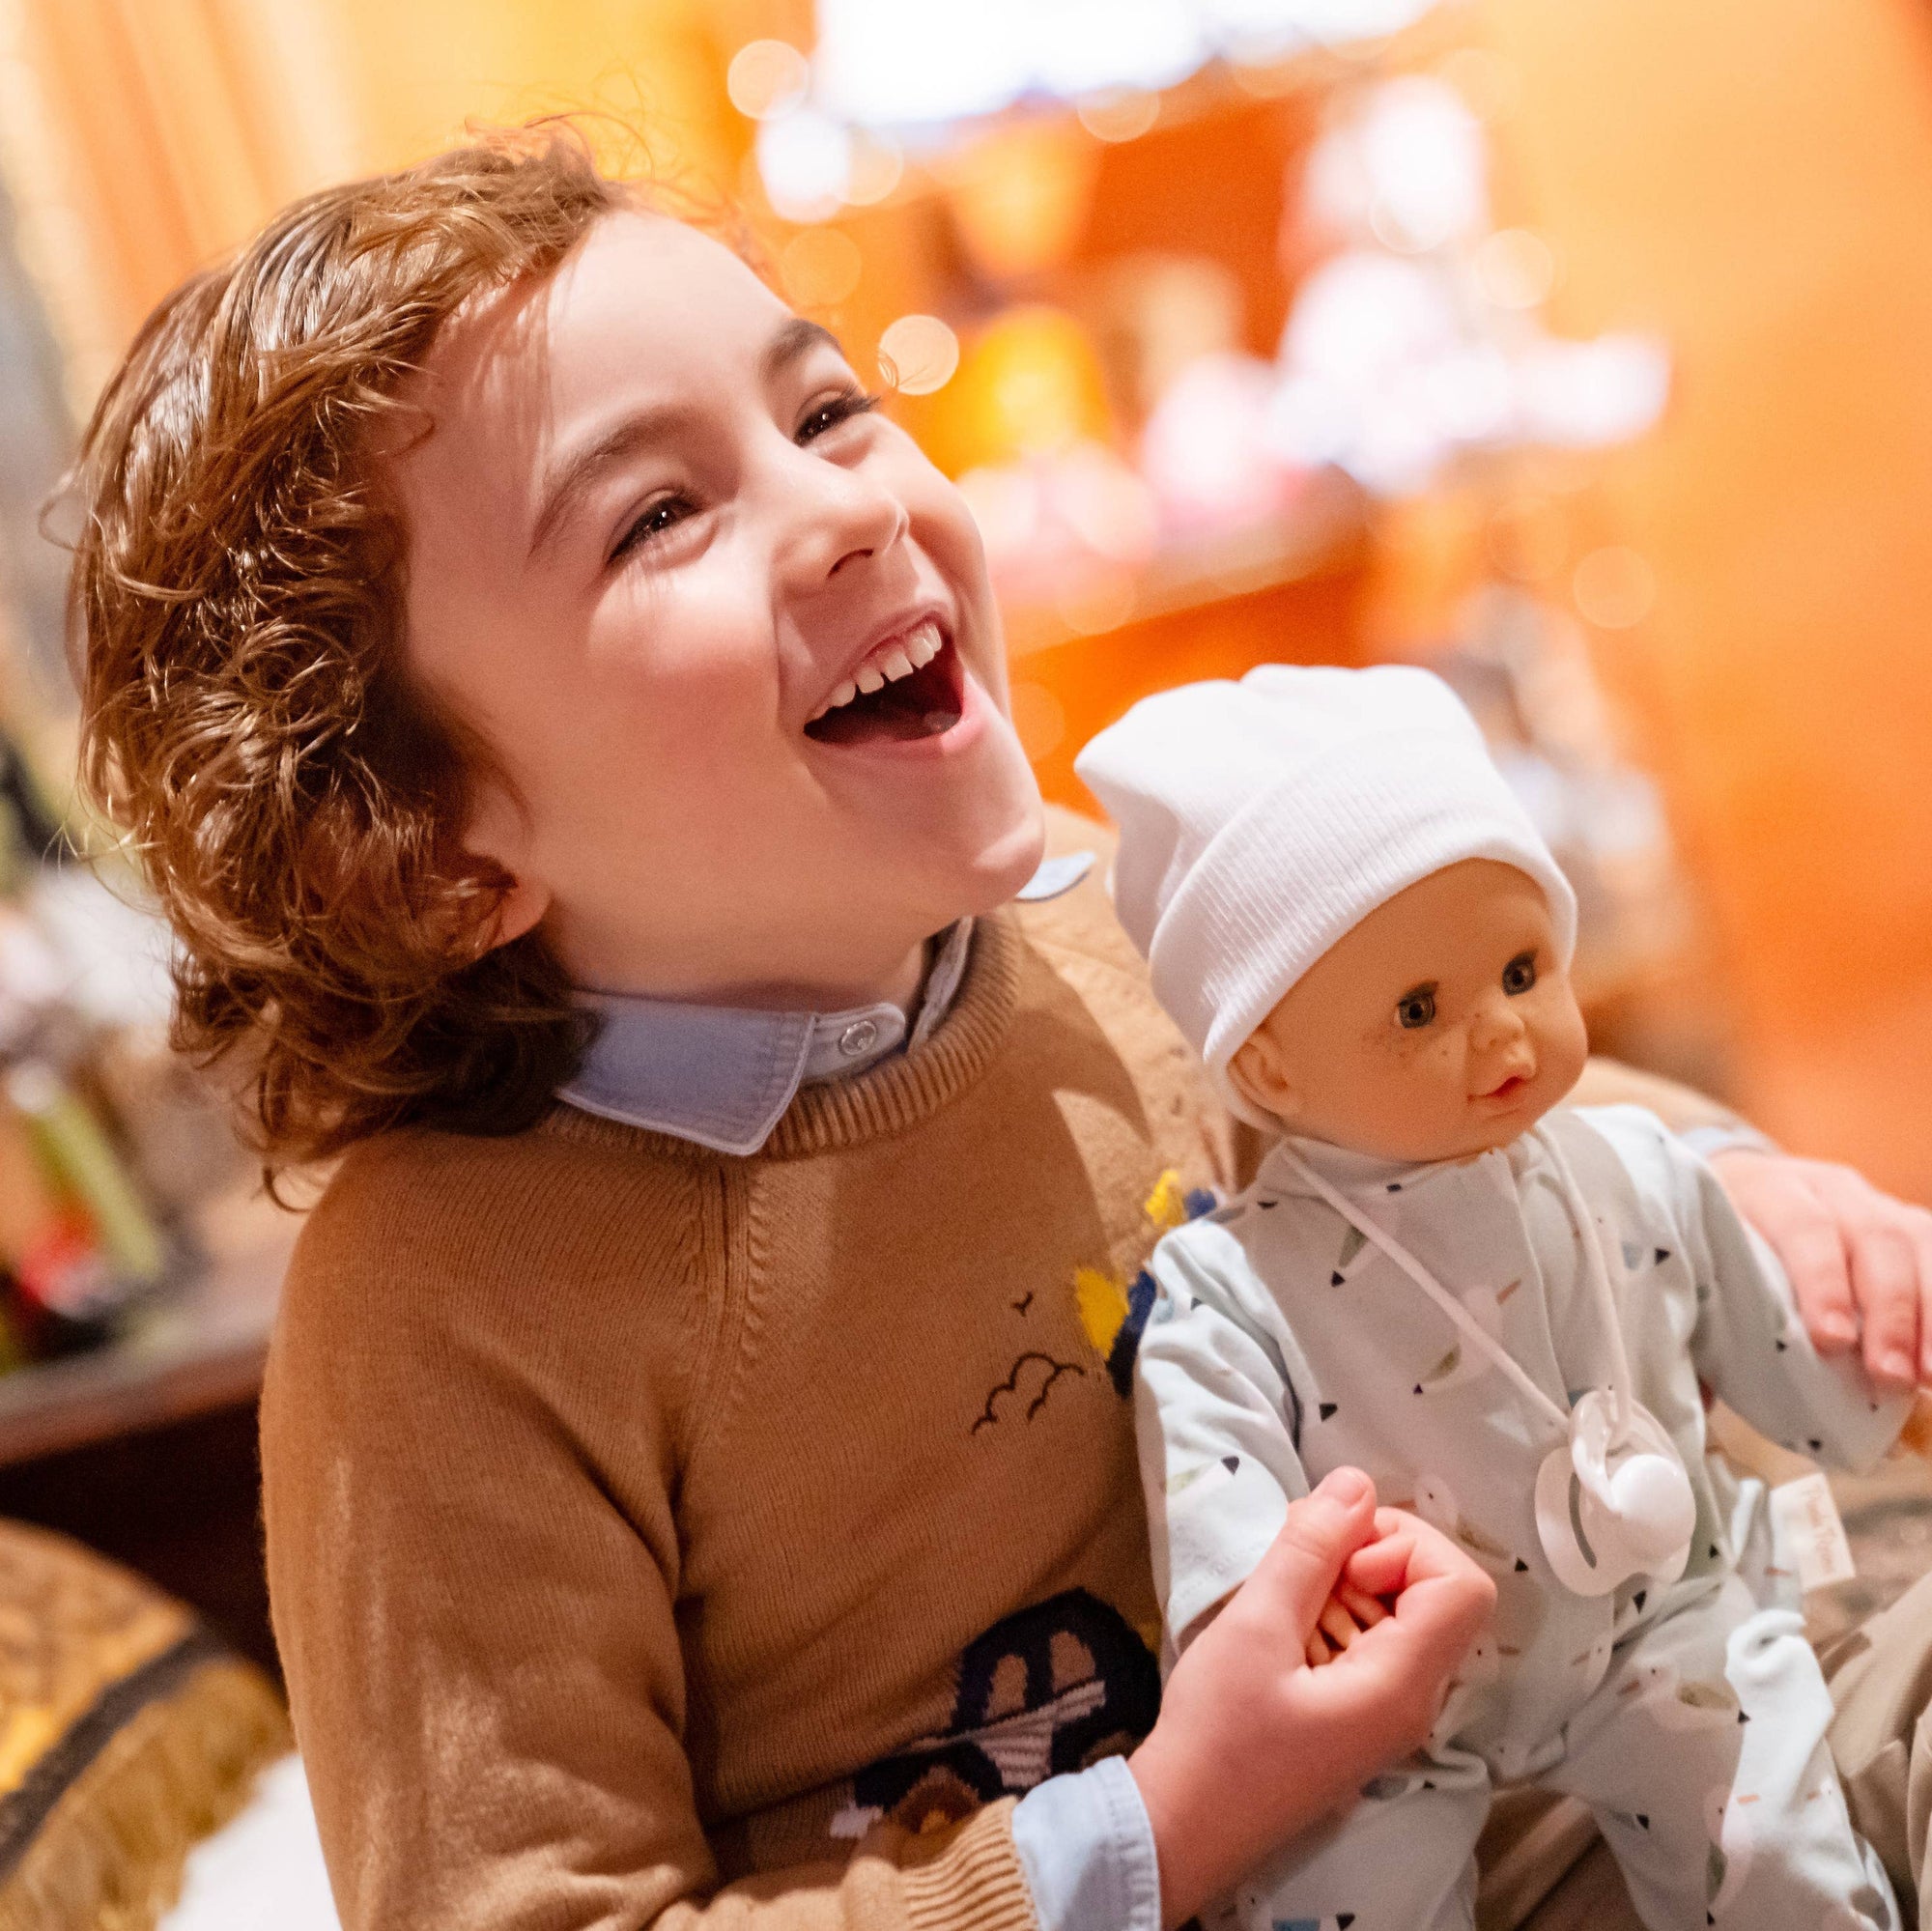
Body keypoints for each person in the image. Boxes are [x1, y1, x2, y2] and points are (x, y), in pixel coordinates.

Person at [64, 129, 1932, 1931]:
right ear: (426, 856)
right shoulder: (443, 1317)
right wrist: (1160, 1826)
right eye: (657, 516)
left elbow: (1465, 1101)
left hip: (1594, 1763)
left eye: (824, 412)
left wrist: (1741, 1187)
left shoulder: (1103, 935)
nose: (851, 507)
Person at [1078, 665, 1915, 1929]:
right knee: (1335, 1887)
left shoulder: (1629, 1165)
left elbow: (1771, 1322)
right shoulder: (1227, 1284)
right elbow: (1215, 1487)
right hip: (1395, 1699)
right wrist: (1268, 1600)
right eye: (1420, 1010)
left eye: (1522, 971)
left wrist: (1879, 1360)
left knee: (1769, 1833)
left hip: (1654, 1625)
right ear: (1268, 1065)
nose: (1505, 1035)